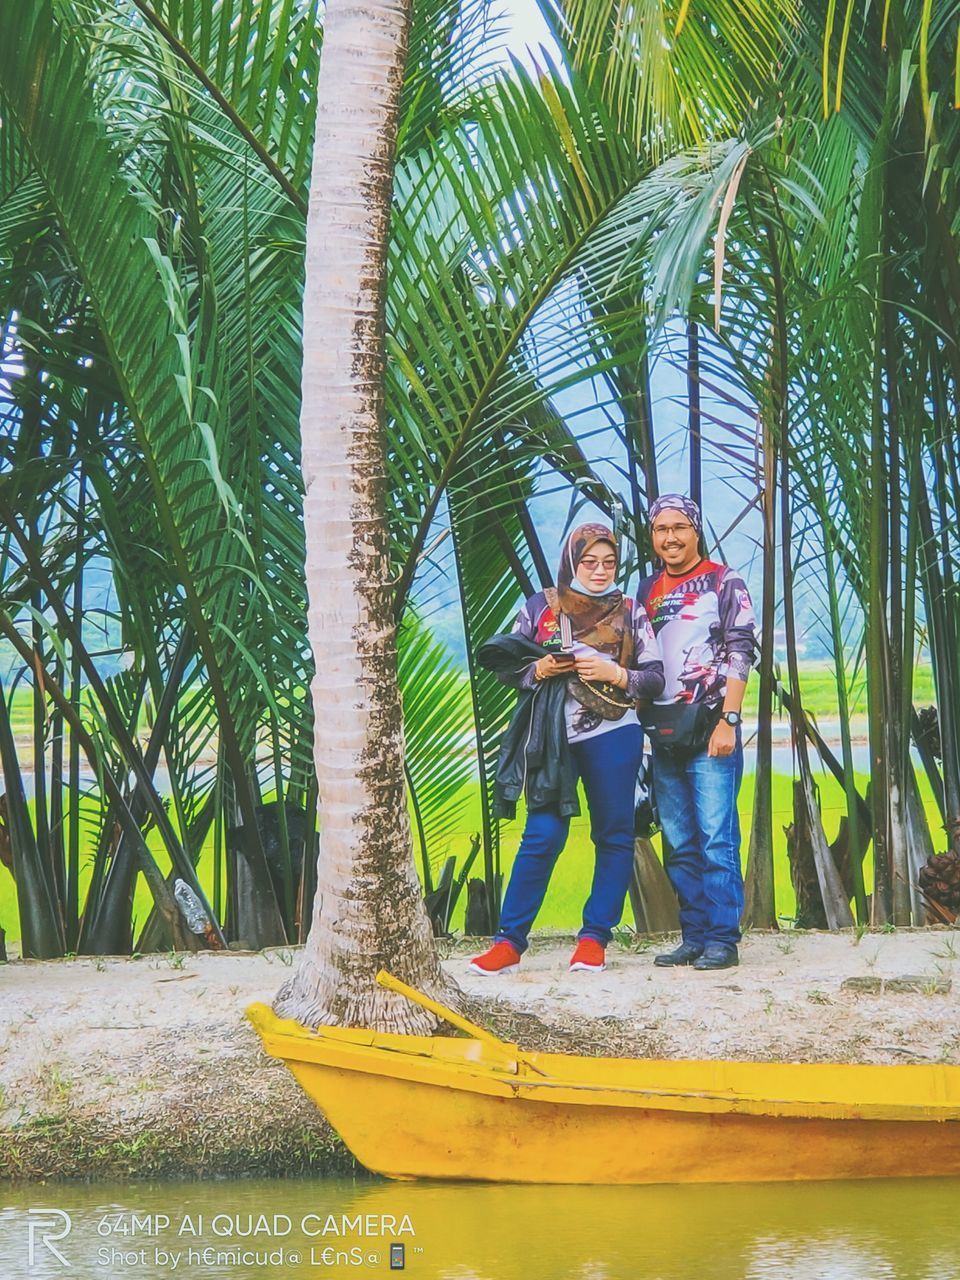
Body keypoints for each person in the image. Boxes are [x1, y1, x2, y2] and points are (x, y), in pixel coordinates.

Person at [471, 523, 664, 975]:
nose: (600, 571)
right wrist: (537, 669)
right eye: (589, 562)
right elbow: (507, 665)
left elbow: (653, 678)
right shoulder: (542, 606)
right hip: (552, 739)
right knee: (542, 834)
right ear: (572, 562)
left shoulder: (630, 610)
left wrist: (611, 673)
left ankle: (595, 938)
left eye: (609, 562)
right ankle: (509, 943)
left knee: (613, 834)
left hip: (615, 734)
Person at [637, 495, 757, 971]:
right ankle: (694, 935)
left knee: (716, 838)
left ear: (697, 530)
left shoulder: (724, 582)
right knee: (680, 840)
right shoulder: (646, 589)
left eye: (680, 527)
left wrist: (729, 719)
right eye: (662, 529)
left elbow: (741, 650)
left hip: (710, 729)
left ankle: (723, 940)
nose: (671, 537)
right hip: (662, 733)